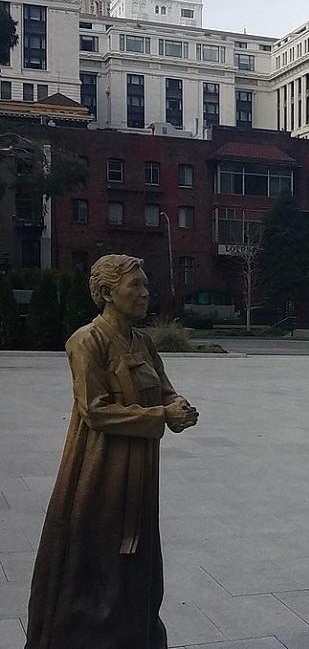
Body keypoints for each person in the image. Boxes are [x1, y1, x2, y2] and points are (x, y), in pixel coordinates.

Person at [25, 255, 199, 649]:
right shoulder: (87, 341)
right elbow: (96, 410)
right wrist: (160, 414)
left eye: (145, 285)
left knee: (139, 554)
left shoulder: (143, 341)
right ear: (106, 292)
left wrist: (179, 406)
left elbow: (166, 388)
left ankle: (136, 634)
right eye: (134, 285)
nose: (143, 293)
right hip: (101, 465)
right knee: (99, 548)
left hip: (140, 467)